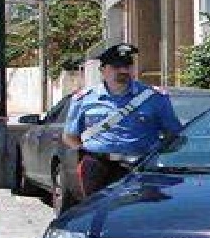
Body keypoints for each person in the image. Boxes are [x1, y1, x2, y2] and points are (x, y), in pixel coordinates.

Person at [62, 43, 183, 202]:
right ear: (102, 70)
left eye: (127, 66)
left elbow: (173, 134)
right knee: (96, 210)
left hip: (139, 166)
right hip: (98, 167)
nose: (123, 71)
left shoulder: (154, 98)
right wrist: (87, 154)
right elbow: (70, 136)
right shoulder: (84, 98)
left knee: (136, 210)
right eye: (116, 66)